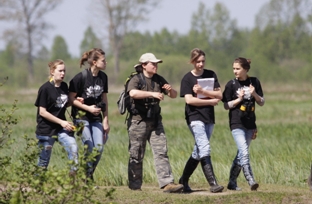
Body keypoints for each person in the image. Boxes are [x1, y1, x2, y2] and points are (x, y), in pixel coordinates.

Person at [126, 53, 183, 193]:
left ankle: (167, 184)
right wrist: (152, 94)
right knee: (136, 154)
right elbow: (132, 93)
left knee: (161, 151)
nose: (156, 66)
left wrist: (171, 90)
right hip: (138, 122)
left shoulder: (159, 79)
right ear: (144, 65)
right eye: (153, 63)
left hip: (155, 121)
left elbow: (174, 95)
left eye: (157, 64)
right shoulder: (136, 79)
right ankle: (135, 186)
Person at [179, 48, 224, 193]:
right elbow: (189, 100)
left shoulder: (211, 75)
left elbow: (219, 95)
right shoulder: (187, 78)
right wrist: (210, 102)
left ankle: (183, 181)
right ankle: (213, 184)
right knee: (204, 147)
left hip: (209, 117)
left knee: (198, 152)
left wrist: (204, 92)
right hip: (194, 117)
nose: (200, 64)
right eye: (198, 61)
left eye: (203, 61)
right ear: (192, 61)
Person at [222, 57, 265, 191]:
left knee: (241, 154)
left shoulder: (255, 82)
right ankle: (251, 180)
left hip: (250, 123)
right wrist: (239, 99)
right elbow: (225, 105)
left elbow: (262, 102)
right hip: (236, 122)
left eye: (238, 68)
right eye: (234, 68)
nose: (235, 71)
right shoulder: (231, 85)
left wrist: (254, 94)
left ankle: (232, 183)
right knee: (244, 152)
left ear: (245, 69)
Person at [69, 48, 110, 181]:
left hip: (96, 118)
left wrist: (106, 120)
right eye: (103, 61)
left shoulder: (103, 77)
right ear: (94, 62)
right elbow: (71, 99)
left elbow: (104, 99)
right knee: (90, 146)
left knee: (98, 148)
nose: (106, 63)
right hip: (81, 117)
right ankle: (87, 179)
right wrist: (88, 108)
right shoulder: (80, 78)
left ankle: (87, 174)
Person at [35, 59, 78, 174]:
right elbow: (42, 112)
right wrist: (61, 122)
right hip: (46, 130)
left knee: (73, 148)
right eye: (60, 71)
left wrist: (75, 100)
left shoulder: (64, 86)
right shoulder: (45, 89)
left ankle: (73, 180)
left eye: (64, 71)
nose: (63, 73)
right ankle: (36, 185)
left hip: (60, 129)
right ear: (52, 71)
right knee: (43, 162)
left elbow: (63, 103)